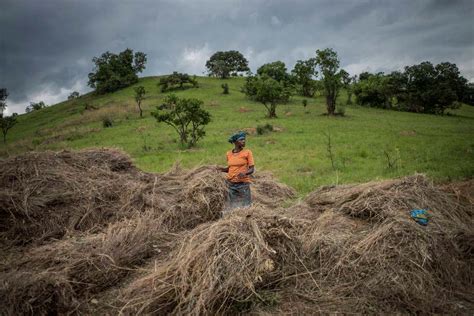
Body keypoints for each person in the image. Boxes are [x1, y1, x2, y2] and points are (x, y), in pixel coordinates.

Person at [218, 131, 255, 210]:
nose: (244, 141)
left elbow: (252, 169)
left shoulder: (247, 152)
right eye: (241, 140)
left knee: (246, 207)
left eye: (244, 139)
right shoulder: (228, 154)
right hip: (231, 184)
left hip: (243, 184)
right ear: (235, 142)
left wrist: (244, 173)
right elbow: (230, 168)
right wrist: (220, 169)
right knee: (232, 206)